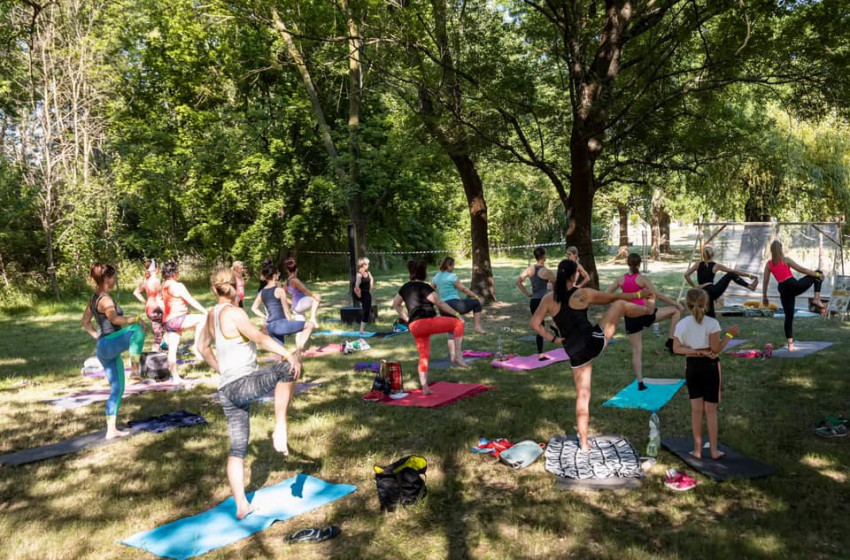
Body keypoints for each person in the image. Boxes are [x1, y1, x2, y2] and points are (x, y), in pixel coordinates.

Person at [197, 266, 302, 520]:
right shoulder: (235, 313)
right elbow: (259, 337)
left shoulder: (211, 314)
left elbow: (202, 347)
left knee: (237, 449)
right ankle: (279, 427)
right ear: (236, 287)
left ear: (214, 289)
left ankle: (242, 506)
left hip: (227, 390)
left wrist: (221, 369)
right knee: (288, 368)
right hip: (243, 384)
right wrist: (289, 353)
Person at [531, 259, 655, 453]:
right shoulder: (583, 294)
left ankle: (584, 443)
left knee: (582, 395)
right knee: (620, 305)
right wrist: (640, 294)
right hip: (593, 343)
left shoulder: (548, 299)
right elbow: (613, 297)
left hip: (574, 352)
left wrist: (554, 340)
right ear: (574, 275)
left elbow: (535, 324)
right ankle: (648, 312)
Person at [81, 264, 147, 439]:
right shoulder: (106, 300)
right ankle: (134, 369)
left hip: (104, 348)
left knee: (117, 389)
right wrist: (137, 318)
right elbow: (114, 318)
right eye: (113, 276)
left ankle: (111, 430)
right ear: (106, 278)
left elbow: (85, 322)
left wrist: (97, 337)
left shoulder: (94, 299)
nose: (115, 279)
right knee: (137, 330)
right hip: (110, 343)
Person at [673, 288, 739, 460]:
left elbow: (676, 348)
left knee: (696, 410)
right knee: (710, 411)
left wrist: (695, 352)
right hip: (710, 367)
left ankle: (697, 450)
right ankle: (714, 451)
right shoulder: (712, 323)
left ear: (688, 305)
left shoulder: (682, 324)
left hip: (692, 367)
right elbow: (716, 349)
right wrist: (730, 334)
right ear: (706, 303)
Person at [606, 253, 684, 390]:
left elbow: (606, 295)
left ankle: (640, 382)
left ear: (627, 263)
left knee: (637, 350)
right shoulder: (642, 279)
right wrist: (676, 303)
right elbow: (658, 295)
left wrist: (617, 304)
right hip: (646, 313)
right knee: (675, 311)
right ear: (639, 264)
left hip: (631, 317)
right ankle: (671, 340)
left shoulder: (620, 279)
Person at [393, 260, 467, 395]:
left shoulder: (405, 287)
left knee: (423, 355)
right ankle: (458, 356)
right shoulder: (425, 287)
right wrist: (457, 314)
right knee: (457, 324)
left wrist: (407, 319)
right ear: (423, 273)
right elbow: (440, 304)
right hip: (427, 322)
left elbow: (396, 304)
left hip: (414, 326)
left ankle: (425, 387)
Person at [762, 240, 826, 352]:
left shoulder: (769, 264)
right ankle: (816, 299)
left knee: (789, 317)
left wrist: (764, 296)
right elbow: (802, 270)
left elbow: (765, 281)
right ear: (781, 249)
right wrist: (818, 275)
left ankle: (790, 345)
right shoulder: (786, 260)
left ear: (771, 250)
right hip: (793, 285)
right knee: (818, 272)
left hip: (783, 290)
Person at [161, 261, 208, 382]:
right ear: (174, 273)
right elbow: (191, 300)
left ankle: (175, 377)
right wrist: (205, 311)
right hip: (177, 319)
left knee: (172, 350)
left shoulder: (163, 285)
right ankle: (197, 346)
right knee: (202, 319)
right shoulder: (177, 285)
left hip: (168, 321)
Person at [251, 262, 314, 352]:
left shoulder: (262, 292)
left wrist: (265, 317)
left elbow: (254, 308)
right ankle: (299, 351)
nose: (278, 275)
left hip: (270, 327)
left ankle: (282, 363)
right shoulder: (279, 291)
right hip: (280, 324)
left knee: (281, 354)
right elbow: (286, 310)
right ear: (275, 276)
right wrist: (289, 322)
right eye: (278, 273)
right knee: (310, 325)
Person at [683, 245, 758, 317]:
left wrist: (695, 287)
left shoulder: (697, 264)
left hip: (702, 293)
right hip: (713, 291)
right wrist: (749, 276)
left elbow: (686, 275)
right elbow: (734, 272)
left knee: (709, 313)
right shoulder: (716, 266)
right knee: (730, 274)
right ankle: (750, 286)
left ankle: (707, 323)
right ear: (713, 254)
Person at [516, 247, 557, 358]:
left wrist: (527, 293)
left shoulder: (530, 269)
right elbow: (557, 285)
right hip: (544, 301)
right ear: (544, 256)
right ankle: (554, 325)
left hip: (534, 301)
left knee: (539, 326)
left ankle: (541, 353)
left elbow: (518, 281)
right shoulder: (547, 272)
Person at [432, 257, 486, 334]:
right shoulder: (451, 276)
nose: (453, 267)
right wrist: (476, 297)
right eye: (453, 265)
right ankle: (477, 327)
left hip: (443, 309)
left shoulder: (436, 277)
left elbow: (430, 290)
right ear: (449, 266)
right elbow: (463, 289)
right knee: (476, 303)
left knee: (452, 331)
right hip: (454, 305)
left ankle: (453, 342)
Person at [133, 259, 164, 352]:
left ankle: (162, 348)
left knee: (160, 330)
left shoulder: (146, 281)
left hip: (149, 308)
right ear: (156, 268)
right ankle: (154, 354)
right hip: (156, 308)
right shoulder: (156, 281)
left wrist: (146, 302)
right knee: (158, 335)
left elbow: (136, 292)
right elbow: (160, 297)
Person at [284, 257, 321, 326]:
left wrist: (291, 302)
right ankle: (312, 318)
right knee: (316, 298)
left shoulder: (287, 281)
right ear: (297, 270)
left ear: (287, 271)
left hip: (295, 307)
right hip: (300, 304)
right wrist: (314, 296)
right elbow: (305, 290)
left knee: (301, 327)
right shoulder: (295, 280)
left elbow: (283, 295)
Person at [353, 257, 374, 334]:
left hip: (366, 293)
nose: (368, 265)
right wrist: (359, 294)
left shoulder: (368, 272)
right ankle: (361, 330)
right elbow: (356, 287)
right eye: (367, 264)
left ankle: (361, 329)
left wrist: (371, 288)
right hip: (360, 293)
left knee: (367, 310)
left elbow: (372, 279)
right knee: (366, 311)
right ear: (363, 265)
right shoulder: (359, 274)